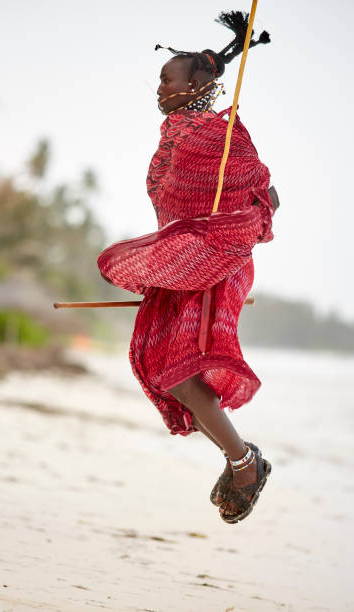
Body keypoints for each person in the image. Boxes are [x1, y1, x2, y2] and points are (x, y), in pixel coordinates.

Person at [97, 11, 279, 524]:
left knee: (180, 374)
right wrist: (175, 255)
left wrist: (222, 234)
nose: (158, 89)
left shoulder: (225, 138)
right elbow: (172, 206)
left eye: (166, 80)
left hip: (217, 262)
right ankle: (243, 460)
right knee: (162, 368)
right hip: (182, 264)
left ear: (195, 85)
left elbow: (268, 197)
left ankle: (245, 464)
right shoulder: (175, 136)